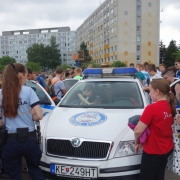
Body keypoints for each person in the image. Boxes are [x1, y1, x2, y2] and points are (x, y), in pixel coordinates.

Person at [0, 63, 45, 180]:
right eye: (25, 74)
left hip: (10, 141)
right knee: (35, 171)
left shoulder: (1, 94)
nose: (27, 77)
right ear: (20, 75)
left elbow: (1, 123)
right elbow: (39, 116)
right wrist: (31, 116)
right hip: (29, 140)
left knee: (14, 175)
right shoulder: (28, 91)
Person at [134, 78, 175, 180]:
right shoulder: (171, 105)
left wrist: (137, 142)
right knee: (159, 176)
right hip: (166, 148)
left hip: (153, 149)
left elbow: (138, 130)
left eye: (150, 91)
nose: (149, 94)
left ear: (157, 91)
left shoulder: (151, 108)